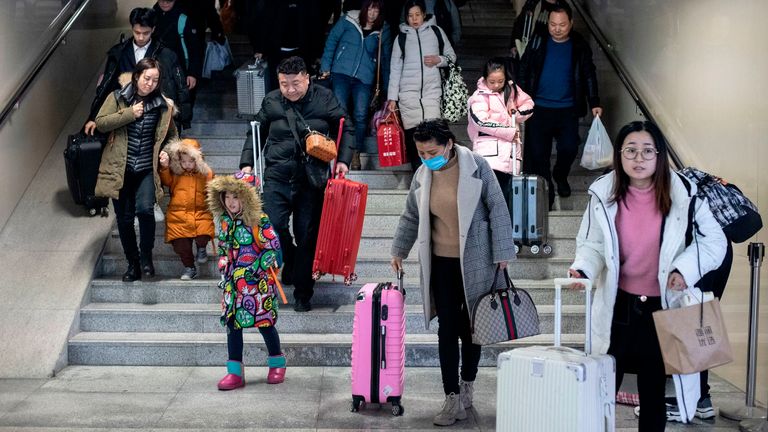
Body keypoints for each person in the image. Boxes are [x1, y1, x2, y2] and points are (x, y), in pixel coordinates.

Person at [566, 121, 727, 431]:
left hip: (663, 309)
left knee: (653, 393)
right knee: (602, 387)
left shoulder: (685, 194)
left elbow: (715, 242)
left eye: (647, 151)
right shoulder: (603, 193)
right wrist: (583, 268)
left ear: (659, 155)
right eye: (630, 151)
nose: (638, 159)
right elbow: (592, 244)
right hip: (619, 306)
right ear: (619, 154)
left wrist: (684, 269)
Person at [390, 119, 515, 426]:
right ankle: (451, 397)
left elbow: (497, 207)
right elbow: (411, 215)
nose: (426, 157)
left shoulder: (477, 166)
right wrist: (398, 251)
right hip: (441, 262)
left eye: (431, 151)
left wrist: (502, 252)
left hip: (476, 259)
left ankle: (468, 382)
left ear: (448, 144)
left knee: (472, 327)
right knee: (446, 328)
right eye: (420, 152)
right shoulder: (423, 174)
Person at [239, 56, 354, 313]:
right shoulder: (271, 101)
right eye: (284, 84)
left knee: (306, 235)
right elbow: (256, 132)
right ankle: (288, 258)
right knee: (273, 226)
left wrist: (344, 160)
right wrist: (247, 163)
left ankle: (303, 292)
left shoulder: (325, 98)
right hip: (277, 176)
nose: (290, 89)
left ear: (306, 78)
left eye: (295, 83)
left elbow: (346, 128)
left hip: (310, 180)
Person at [94, 58, 179, 282]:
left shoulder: (163, 106)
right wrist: (130, 113)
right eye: (146, 78)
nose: (149, 84)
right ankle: (132, 263)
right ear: (136, 76)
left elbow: (172, 137)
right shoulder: (117, 97)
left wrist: (167, 153)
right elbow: (101, 122)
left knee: (145, 211)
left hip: (145, 170)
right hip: (119, 168)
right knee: (124, 218)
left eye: (155, 80)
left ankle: (146, 257)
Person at [517, 2, 602, 208]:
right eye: (553, 24)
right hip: (539, 109)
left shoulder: (579, 45)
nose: (557, 28)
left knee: (570, 147)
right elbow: (524, 68)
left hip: (567, 109)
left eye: (562, 24)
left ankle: (560, 174)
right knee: (538, 154)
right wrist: (519, 98)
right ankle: (548, 189)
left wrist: (594, 101)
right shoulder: (538, 40)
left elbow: (588, 74)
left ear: (571, 23)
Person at [206, 173, 285, 390]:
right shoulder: (224, 222)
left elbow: (273, 250)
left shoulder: (260, 220)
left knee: (265, 324)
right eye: (227, 197)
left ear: (247, 198)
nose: (231, 202)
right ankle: (235, 372)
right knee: (232, 326)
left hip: (257, 286)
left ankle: (277, 361)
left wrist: (254, 270)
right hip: (232, 286)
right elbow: (223, 248)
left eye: (236, 197)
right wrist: (223, 264)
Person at [83, 7, 190, 136]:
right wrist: (94, 116)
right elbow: (108, 86)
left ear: (153, 30)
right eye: (137, 32)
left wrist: (182, 120)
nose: (140, 37)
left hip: (155, 113)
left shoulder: (166, 55)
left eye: (146, 33)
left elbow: (179, 87)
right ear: (132, 28)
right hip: (124, 114)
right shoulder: (119, 53)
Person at [319, 0, 392, 166]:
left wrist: (387, 87)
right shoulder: (348, 20)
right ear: (364, 8)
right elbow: (331, 42)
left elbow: (386, 59)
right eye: (370, 9)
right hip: (341, 73)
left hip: (364, 78)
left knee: (360, 115)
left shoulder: (383, 29)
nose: (373, 14)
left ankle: (355, 152)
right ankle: (338, 147)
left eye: (377, 11)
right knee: (340, 112)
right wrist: (326, 66)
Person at [387, 0, 456, 172]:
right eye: (410, 16)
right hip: (408, 96)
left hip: (432, 93)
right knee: (414, 140)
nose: (414, 19)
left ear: (424, 14)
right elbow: (395, 69)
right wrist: (392, 98)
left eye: (417, 15)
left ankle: (438, 175)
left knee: (435, 136)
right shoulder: (400, 38)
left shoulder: (436, 31)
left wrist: (438, 60)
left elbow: (451, 56)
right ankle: (419, 179)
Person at [467, 57, 534, 203]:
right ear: (485, 79)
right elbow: (480, 121)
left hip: (509, 153)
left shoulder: (512, 89)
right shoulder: (478, 97)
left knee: (506, 198)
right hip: (488, 154)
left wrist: (516, 111)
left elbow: (529, 104)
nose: (496, 85)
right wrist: (509, 132)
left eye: (500, 81)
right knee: (491, 199)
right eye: (492, 82)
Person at [158, 138, 215, 280]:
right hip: (178, 215)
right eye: (183, 162)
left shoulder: (206, 174)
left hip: (201, 212)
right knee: (181, 245)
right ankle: (189, 267)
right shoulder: (176, 173)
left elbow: (212, 190)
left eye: (191, 161)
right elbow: (166, 181)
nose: (187, 165)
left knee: (203, 234)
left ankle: (201, 248)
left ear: (198, 160)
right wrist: (165, 167)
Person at [247, 0, 325, 91]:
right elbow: (263, 23)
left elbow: (314, 25)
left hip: (301, 50)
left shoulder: (308, 3)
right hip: (278, 50)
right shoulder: (272, 3)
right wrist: (259, 48)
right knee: (278, 85)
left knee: (299, 85)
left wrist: (317, 52)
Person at [153, 0, 202, 118]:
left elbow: (195, 49)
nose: (165, 3)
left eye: (169, 0)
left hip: (181, 69)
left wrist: (192, 73)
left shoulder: (183, 18)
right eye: (162, 0)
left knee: (181, 105)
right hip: (158, 69)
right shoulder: (151, 16)